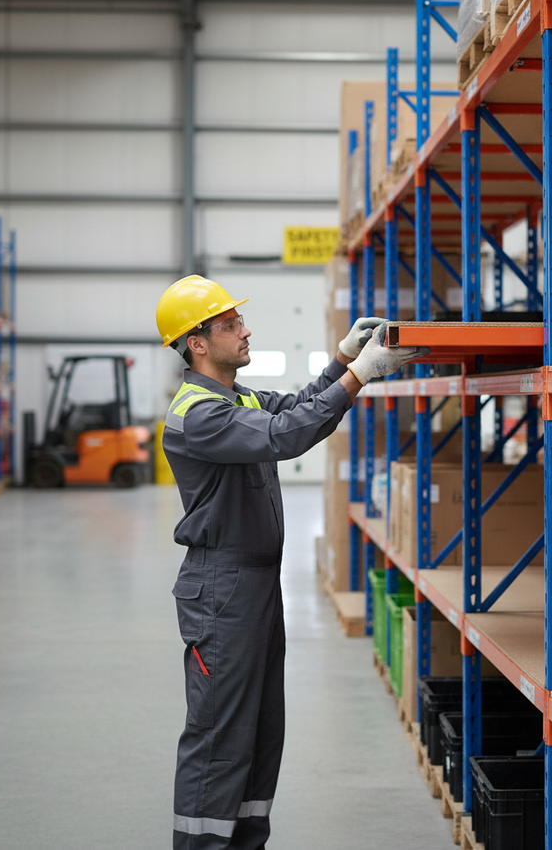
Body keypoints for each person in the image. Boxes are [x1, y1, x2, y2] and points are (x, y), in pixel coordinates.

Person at [155, 274, 428, 850]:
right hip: (220, 589)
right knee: (219, 735)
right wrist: (361, 377)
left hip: (253, 585)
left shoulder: (236, 398)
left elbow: (299, 406)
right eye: (230, 325)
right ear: (197, 343)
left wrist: (342, 361)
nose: (245, 330)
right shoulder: (197, 414)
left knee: (260, 730)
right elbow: (287, 434)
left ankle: (246, 840)